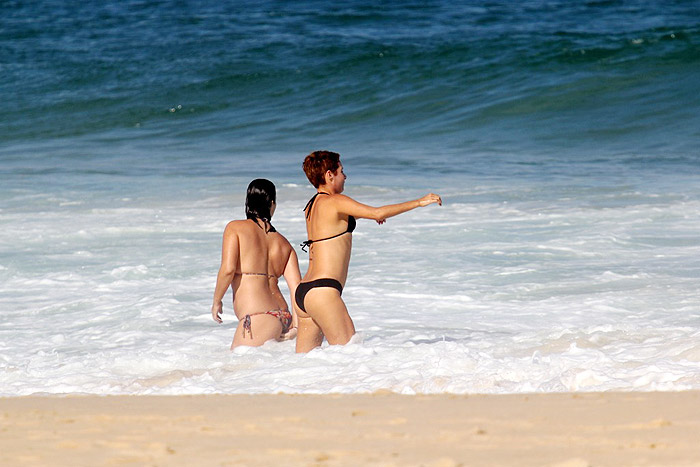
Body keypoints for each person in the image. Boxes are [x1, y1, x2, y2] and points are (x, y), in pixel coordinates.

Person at [294, 151, 442, 352]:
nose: (345, 176)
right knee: (351, 355)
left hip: (305, 292)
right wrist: (418, 202)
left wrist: (367, 216)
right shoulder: (336, 201)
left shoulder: (311, 206)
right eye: (341, 171)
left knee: (305, 366)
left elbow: (334, 224)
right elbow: (377, 212)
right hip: (324, 292)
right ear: (330, 175)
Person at [211, 179, 301, 348]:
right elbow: (296, 288)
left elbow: (228, 269)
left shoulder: (235, 228)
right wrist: (296, 326)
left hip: (257, 318)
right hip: (284, 317)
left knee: (235, 371)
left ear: (248, 202)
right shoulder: (284, 244)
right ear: (272, 204)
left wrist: (217, 300)